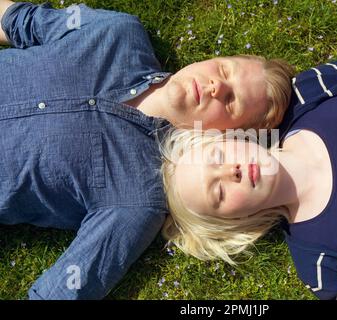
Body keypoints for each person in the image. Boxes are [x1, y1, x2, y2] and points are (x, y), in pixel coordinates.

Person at [0, 1, 295, 299]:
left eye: (231, 101)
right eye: (224, 70)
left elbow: (61, 293)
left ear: (226, 136)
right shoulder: (117, 33)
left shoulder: (137, 200)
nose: (216, 85)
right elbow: (17, 20)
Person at [161, 22, 337, 300]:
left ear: (230, 138)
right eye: (219, 193)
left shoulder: (308, 94)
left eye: (218, 157)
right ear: (236, 222)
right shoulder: (325, 266)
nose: (230, 172)